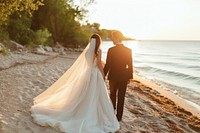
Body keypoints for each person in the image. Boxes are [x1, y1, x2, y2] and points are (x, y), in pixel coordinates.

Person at [31, 34, 119, 133]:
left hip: (87, 73)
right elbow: (98, 64)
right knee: (94, 95)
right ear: (99, 42)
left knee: (84, 93)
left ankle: (80, 110)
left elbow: (87, 64)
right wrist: (103, 75)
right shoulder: (98, 51)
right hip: (95, 74)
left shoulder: (87, 52)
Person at [104, 30, 133, 121]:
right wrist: (129, 77)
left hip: (113, 76)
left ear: (117, 38)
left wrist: (103, 75)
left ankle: (112, 113)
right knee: (121, 97)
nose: (112, 39)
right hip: (124, 77)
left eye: (113, 37)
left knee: (112, 95)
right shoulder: (128, 50)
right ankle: (119, 117)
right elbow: (130, 65)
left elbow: (108, 64)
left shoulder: (111, 50)